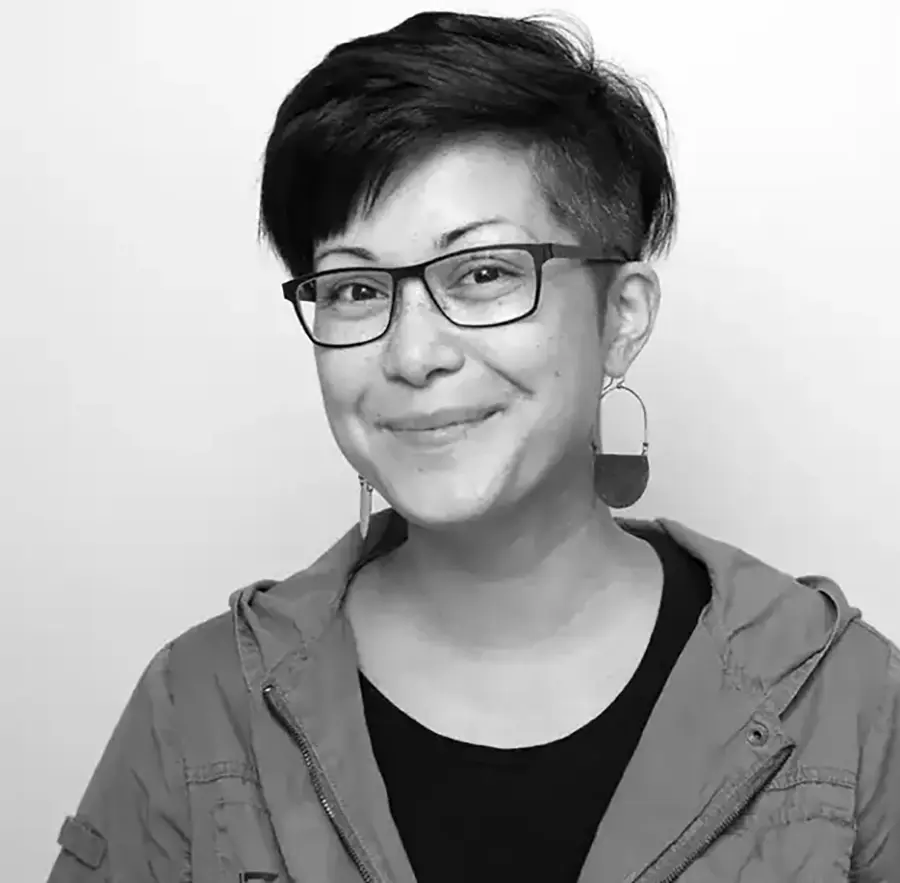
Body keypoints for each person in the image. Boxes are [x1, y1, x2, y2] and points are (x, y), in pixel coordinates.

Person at [48, 11, 899, 883]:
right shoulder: (199, 705)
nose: (412, 355)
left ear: (623, 316)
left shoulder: (844, 699)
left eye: (485, 272)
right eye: (352, 286)